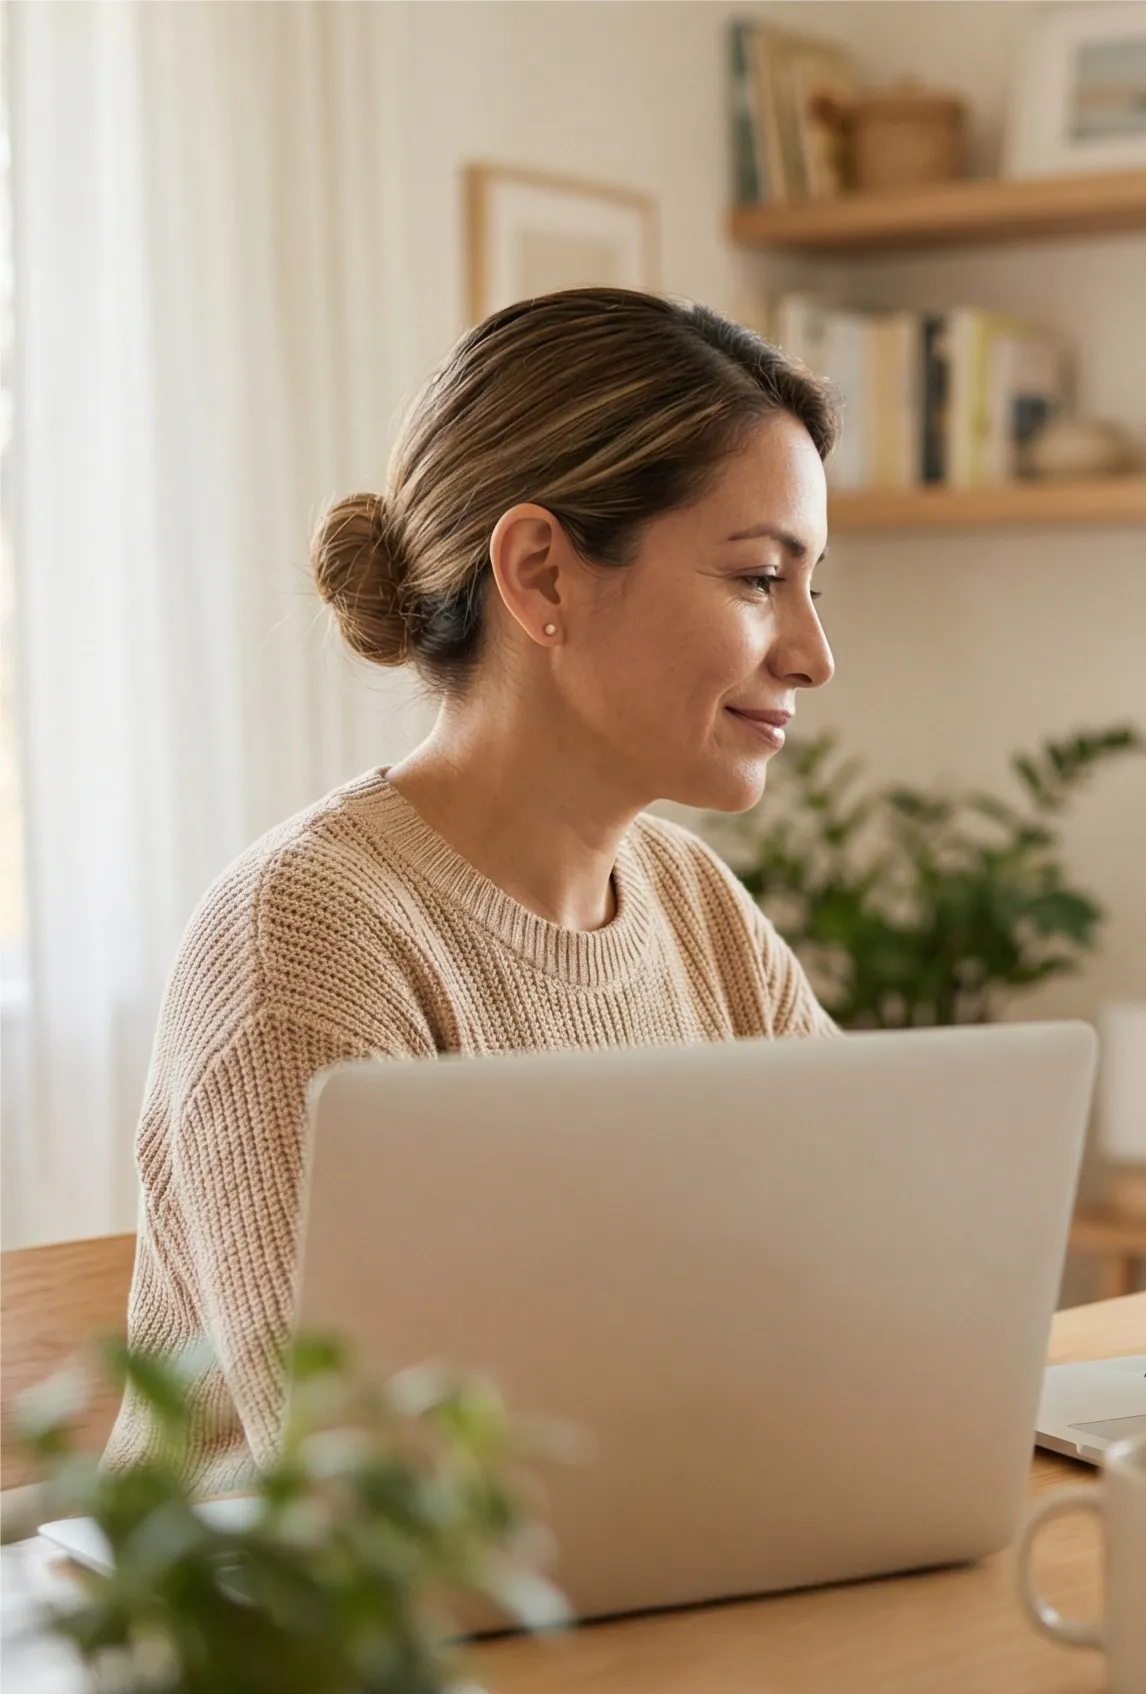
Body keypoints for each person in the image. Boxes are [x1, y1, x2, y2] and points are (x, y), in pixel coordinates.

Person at [110, 289, 839, 1492]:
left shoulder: (693, 907)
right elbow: (375, 1486)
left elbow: (857, 1278)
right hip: (297, 1652)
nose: (812, 651)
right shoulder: (302, 940)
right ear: (543, 573)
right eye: (760, 576)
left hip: (636, 1568)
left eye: (814, 586)